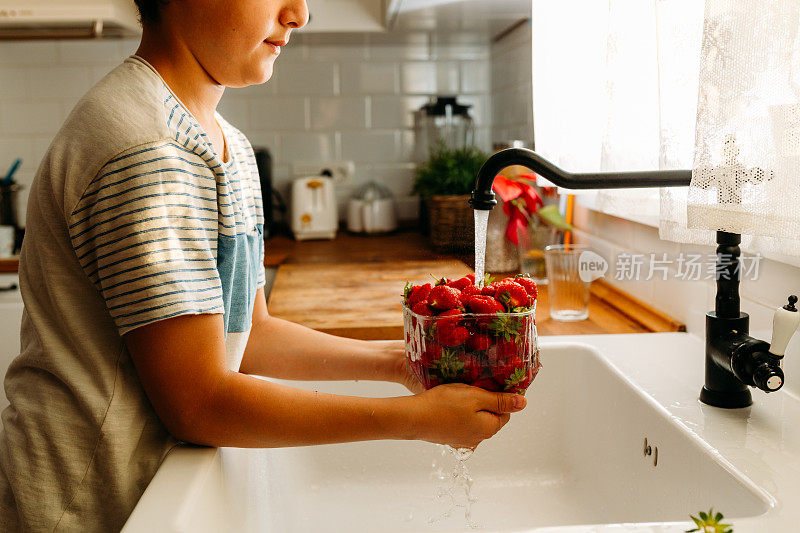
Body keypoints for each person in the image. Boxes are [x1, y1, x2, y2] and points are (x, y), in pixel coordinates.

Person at [0, 0, 526, 530]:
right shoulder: (147, 149)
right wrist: (412, 421)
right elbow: (199, 402)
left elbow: (249, 336)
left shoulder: (226, 144)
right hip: (85, 507)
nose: (298, 14)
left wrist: (403, 361)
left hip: (156, 491)